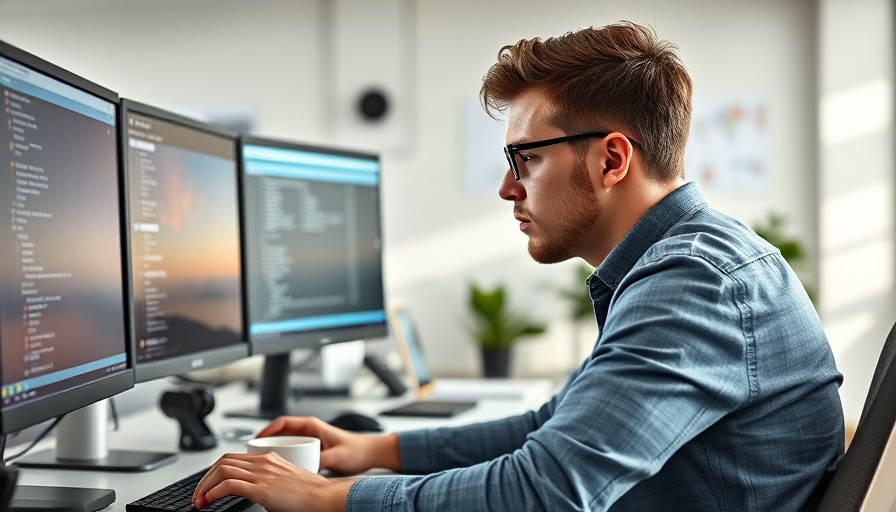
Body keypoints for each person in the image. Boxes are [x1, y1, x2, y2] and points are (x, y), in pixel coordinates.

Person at [192, 20, 844, 511]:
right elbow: (552, 427)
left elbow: (548, 490)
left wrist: (328, 497)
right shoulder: (689, 262)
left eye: (524, 160)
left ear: (612, 160)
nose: (508, 190)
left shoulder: (692, 285)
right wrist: (375, 450)